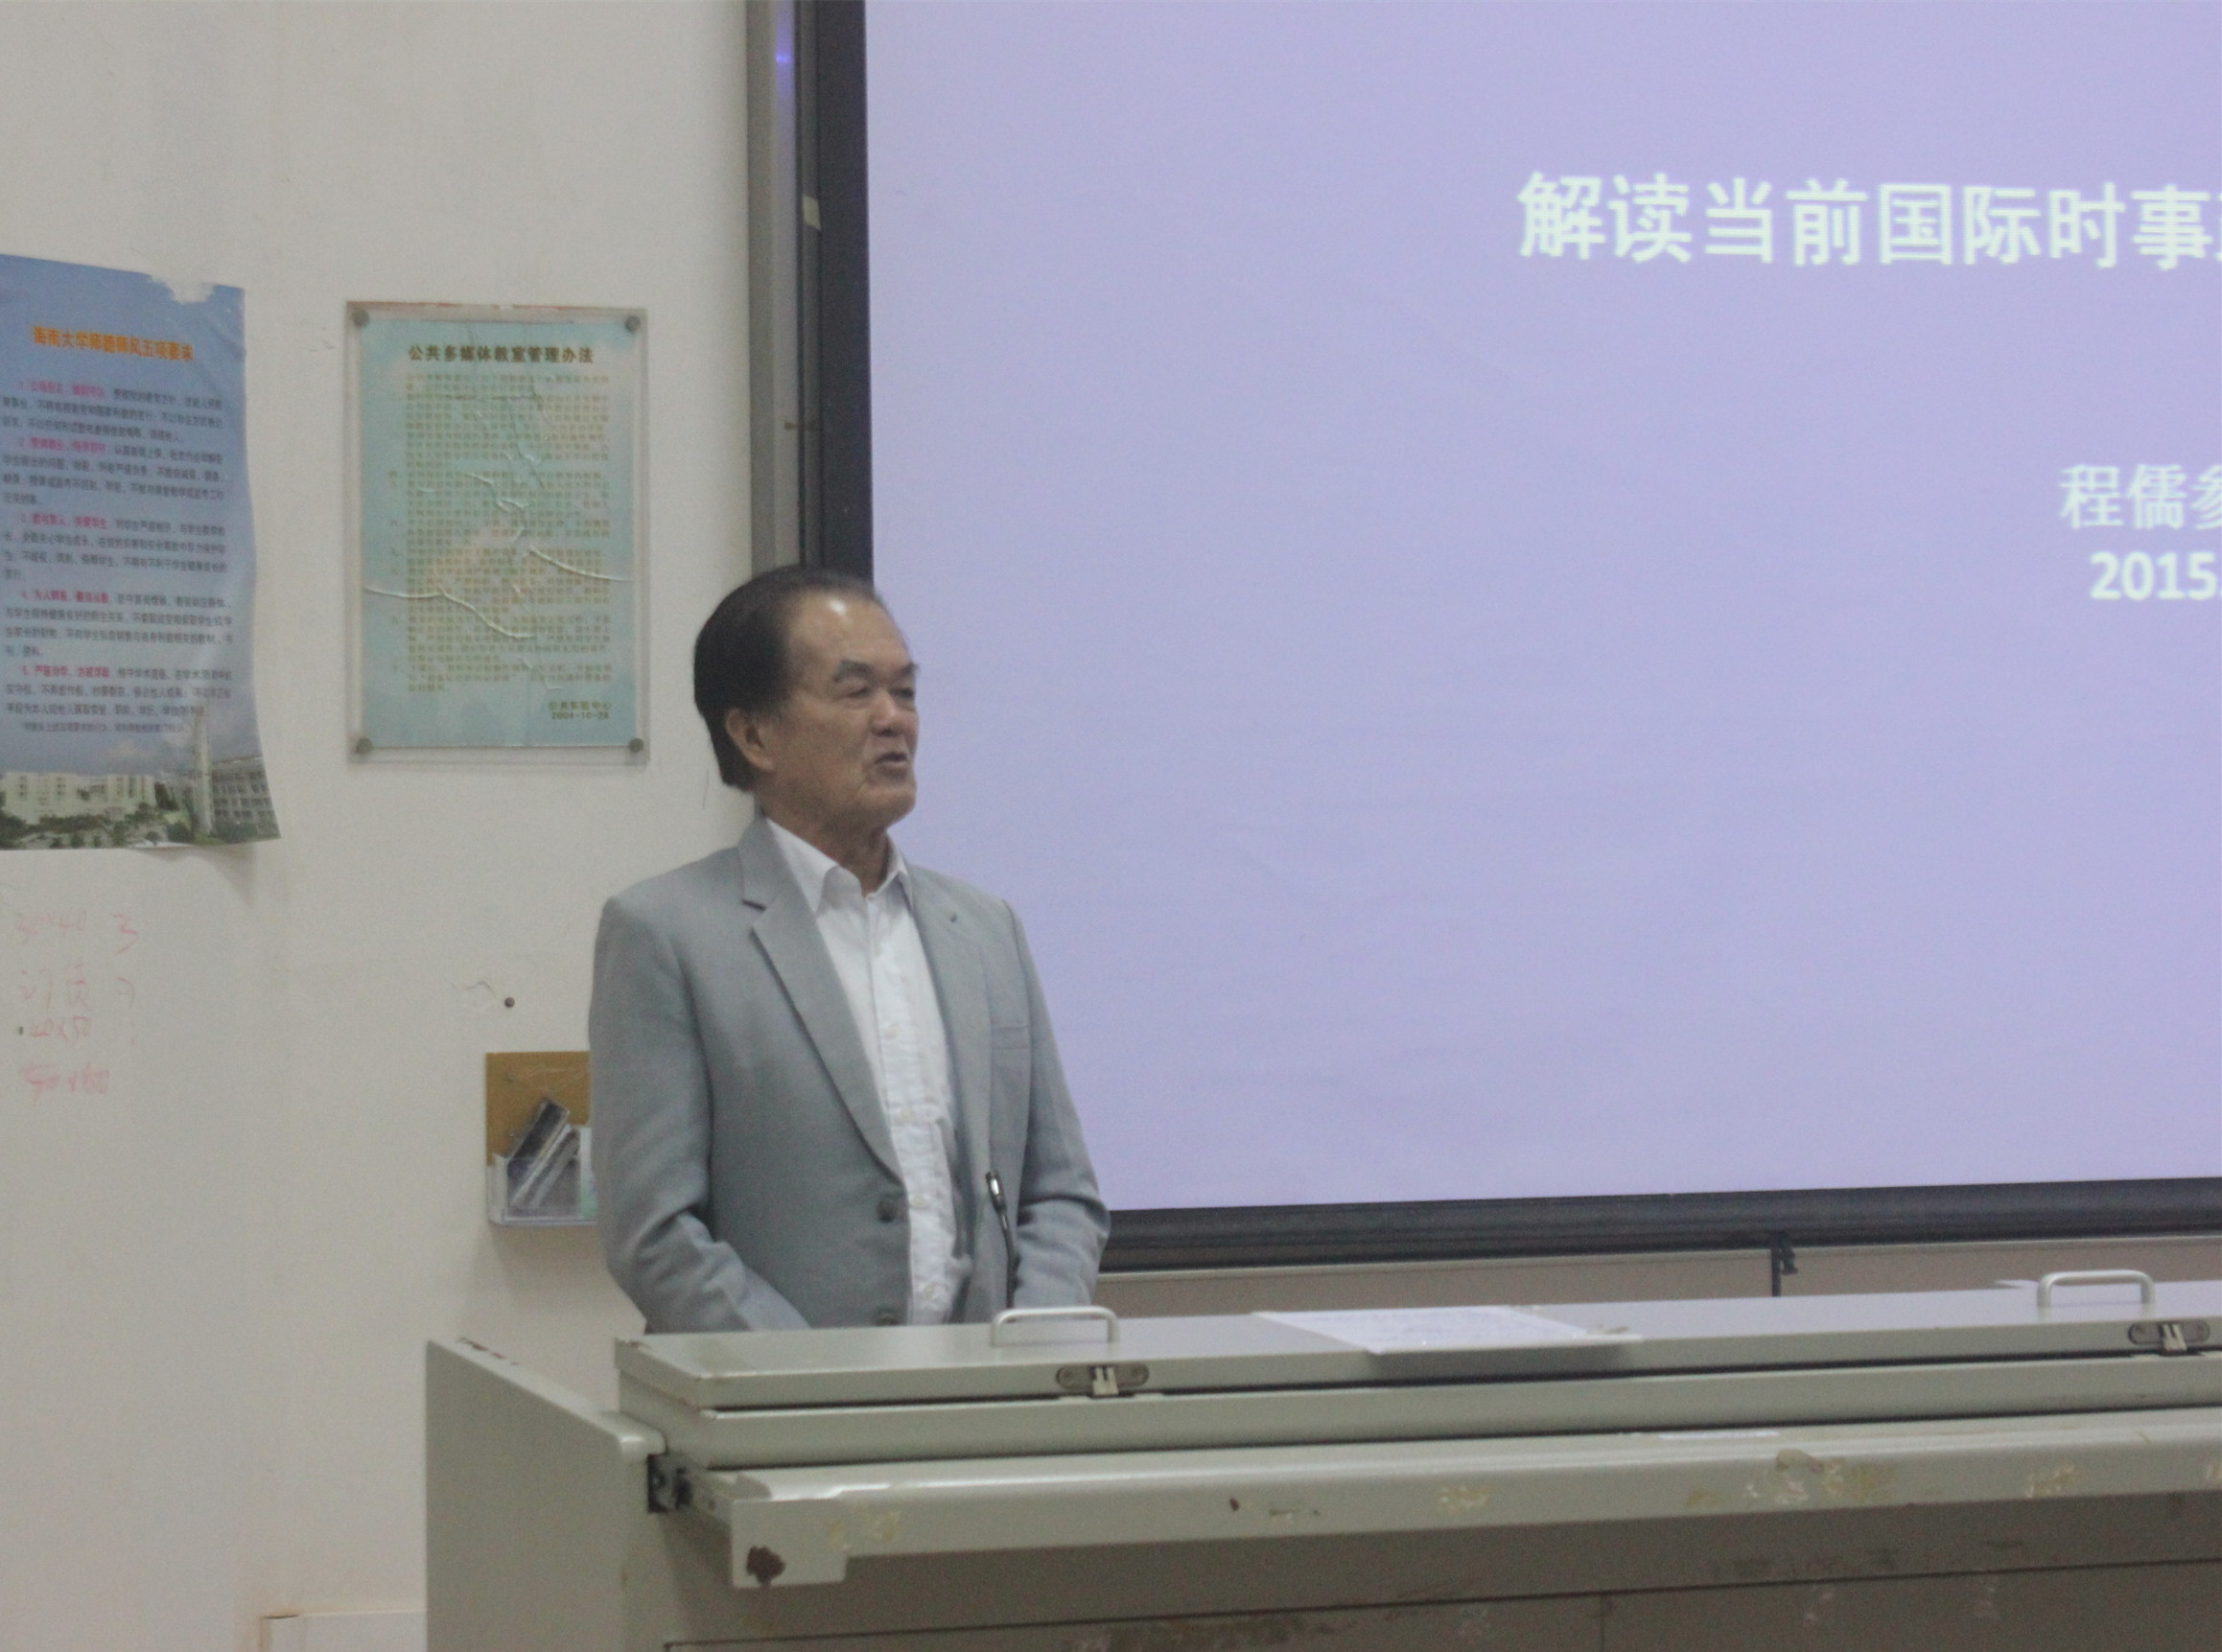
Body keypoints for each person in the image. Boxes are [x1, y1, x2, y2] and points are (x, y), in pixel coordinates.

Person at [589, 566, 1108, 1332]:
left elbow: (1059, 1192)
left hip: (990, 1388)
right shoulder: (666, 933)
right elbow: (655, 1231)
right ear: (754, 734)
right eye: (856, 691)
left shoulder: (983, 927)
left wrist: (1035, 1342)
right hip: (787, 1395)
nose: (893, 720)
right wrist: (815, 1379)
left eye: (906, 691)